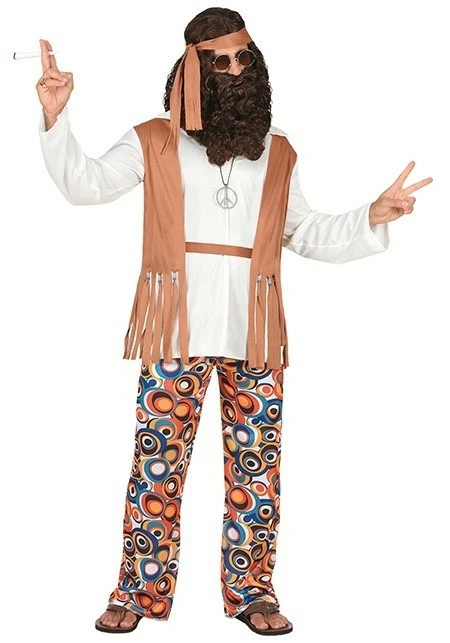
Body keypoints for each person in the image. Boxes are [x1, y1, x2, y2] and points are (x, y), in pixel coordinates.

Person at [36, 7, 433, 636]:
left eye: (243, 57)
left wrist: (371, 216)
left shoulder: (278, 151)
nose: (234, 69)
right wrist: (57, 119)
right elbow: (87, 185)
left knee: (258, 471)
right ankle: (138, 591)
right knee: (156, 467)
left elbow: (304, 232)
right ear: (192, 71)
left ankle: (252, 591)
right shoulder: (154, 139)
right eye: (219, 61)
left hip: (256, 330)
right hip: (175, 327)